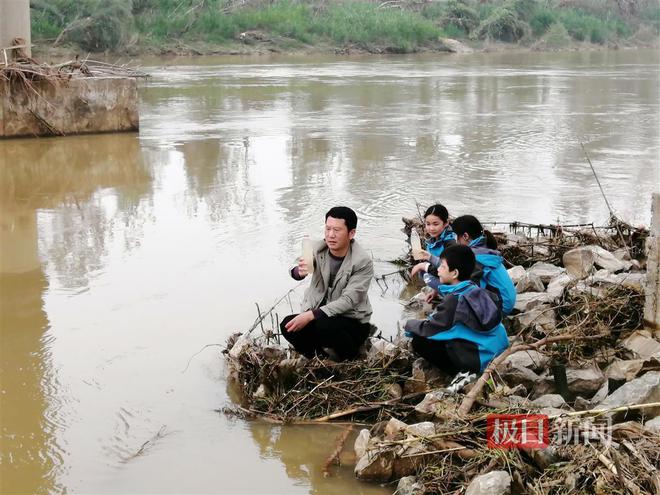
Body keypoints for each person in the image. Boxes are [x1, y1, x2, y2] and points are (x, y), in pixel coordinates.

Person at [280, 206, 373, 361]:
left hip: (351, 321)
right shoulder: (318, 248)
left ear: (351, 233)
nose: (331, 235)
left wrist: (310, 315)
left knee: (324, 326)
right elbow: (293, 267)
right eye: (328, 229)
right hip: (320, 318)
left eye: (337, 230)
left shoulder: (362, 261)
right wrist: (299, 271)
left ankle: (350, 357)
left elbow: (349, 301)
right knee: (287, 325)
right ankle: (319, 359)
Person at [405, 245, 509, 374]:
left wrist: (408, 325)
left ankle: (463, 373)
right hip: (499, 348)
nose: (438, 270)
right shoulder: (475, 289)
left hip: (482, 359)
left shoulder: (454, 300)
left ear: (455, 273)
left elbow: (429, 329)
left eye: (442, 266)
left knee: (420, 342)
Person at [452, 215, 517, 315]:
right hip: (506, 301)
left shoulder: (476, 258)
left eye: (455, 236)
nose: (455, 241)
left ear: (465, 236)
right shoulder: (484, 249)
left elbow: (472, 288)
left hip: (501, 307)